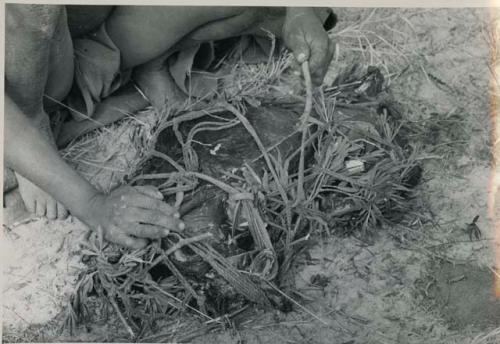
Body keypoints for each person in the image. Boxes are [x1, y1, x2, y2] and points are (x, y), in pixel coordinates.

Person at [5, 5, 335, 249]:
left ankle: (151, 66)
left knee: (255, 10)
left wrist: (299, 12)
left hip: (85, 38)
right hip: (22, 81)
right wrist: (92, 204)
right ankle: (35, 127)